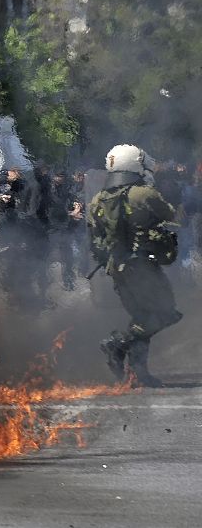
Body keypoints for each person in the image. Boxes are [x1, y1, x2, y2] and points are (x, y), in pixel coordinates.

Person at [88, 144, 183, 387]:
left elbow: (94, 238)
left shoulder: (97, 201)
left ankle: (139, 373)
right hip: (143, 266)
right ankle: (117, 343)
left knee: (141, 317)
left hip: (117, 269)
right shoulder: (143, 194)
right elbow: (171, 214)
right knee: (165, 313)